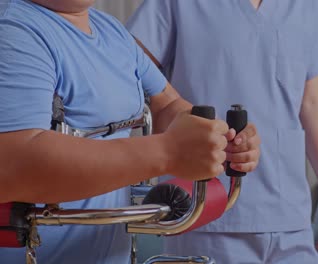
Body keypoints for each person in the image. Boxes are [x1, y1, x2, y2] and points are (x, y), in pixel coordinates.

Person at [0, 0, 260, 263]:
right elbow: (13, 164)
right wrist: (168, 152)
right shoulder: (14, 31)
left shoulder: (111, 30)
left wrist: (215, 138)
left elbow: (167, 104)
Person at [127, 0, 318, 263]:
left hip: (289, 216)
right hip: (206, 208)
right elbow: (133, 75)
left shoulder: (304, 6)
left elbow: (310, 102)